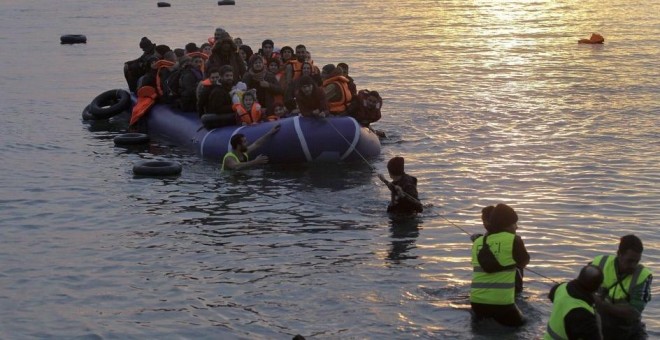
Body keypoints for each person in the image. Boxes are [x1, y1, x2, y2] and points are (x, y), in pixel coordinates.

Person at [469, 203, 530, 327]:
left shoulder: (477, 242)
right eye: (514, 223)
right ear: (506, 224)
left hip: (476, 302)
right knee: (525, 325)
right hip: (502, 304)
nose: (516, 227)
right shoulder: (514, 240)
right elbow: (523, 262)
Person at [591, 235, 652, 340]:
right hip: (598, 323)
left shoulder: (643, 276)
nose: (633, 265)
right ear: (619, 254)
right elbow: (581, 287)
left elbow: (634, 312)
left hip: (628, 330)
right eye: (630, 261)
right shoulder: (600, 263)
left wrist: (602, 305)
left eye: (636, 261)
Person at [545, 265, 604, 340]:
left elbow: (551, 296)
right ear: (597, 288)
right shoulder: (583, 314)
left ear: (579, 277)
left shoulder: (560, 287)